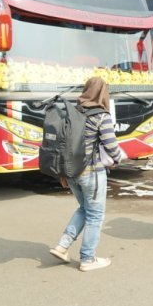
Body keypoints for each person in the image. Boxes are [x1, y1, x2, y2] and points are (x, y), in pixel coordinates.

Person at [49, 77, 124, 271]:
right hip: (92, 173)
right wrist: (118, 159)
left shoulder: (73, 112)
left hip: (72, 172)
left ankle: (62, 246)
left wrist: (62, 174)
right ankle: (87, 258)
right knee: (95, 215)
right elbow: (111, 145)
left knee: (84, 209)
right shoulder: (101, 115)